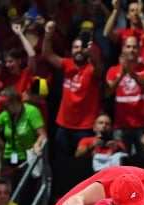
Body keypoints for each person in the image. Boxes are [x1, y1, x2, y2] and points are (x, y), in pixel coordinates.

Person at [43, 20, 103, 161]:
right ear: (71, 50)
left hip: (85, 127)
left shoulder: (91, 68)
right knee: (61, 163)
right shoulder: (67, 64)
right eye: (75, 47)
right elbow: (48, 55)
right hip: (63, 125)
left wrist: (92, 55)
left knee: (82, 165)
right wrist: (47, 36)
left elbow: (99, 69)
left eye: (81, 47)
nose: (78, 50)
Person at [105, 35, 144, 157]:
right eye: (128, 47)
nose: (131, 50)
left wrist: (131, 73)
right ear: (123, 49)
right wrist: (122, 74)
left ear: (139, 49)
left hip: (143, 124)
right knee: (122, 164)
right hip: (121, 124)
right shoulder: (113, 70)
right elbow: (107, 93)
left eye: (134, 47)